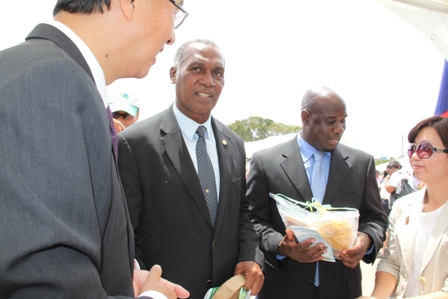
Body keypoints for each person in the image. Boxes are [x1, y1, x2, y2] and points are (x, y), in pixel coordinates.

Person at [0, 0, 190, 298]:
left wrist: (119, 275)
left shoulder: (45, 74)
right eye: (175, 10)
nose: (171, 36)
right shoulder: (51, 83)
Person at [117, 39, 265, 299]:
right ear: (174, 74)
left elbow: (242, 212)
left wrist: (250, 255)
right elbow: (123, 232)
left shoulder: (234, 144)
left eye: (217, 73)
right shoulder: (135, 144)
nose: (209, 80)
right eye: (197, 69)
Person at [246, 86, 388, 299]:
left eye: (343, 121)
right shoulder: (267, 162)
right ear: (305, 117)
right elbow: (252, 221)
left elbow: (376, 218)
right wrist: (282, 247)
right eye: (331, 121)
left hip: (343, 290)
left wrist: (365, 240)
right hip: (283, 289)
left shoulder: (361, 164)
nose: (340, 129)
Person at [359, 116, 448, 299]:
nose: (415, 156)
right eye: (412, 149)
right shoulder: (403, 206)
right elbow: (391, 261)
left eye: (425, 149)